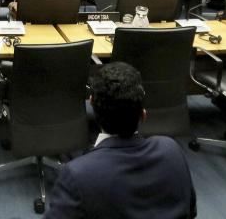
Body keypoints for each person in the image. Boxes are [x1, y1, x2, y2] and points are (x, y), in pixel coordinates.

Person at [46, 62, 196, 219]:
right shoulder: (171, 150)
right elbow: (190, 212)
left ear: (92, 105)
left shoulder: (77, 174)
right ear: (143, 115)